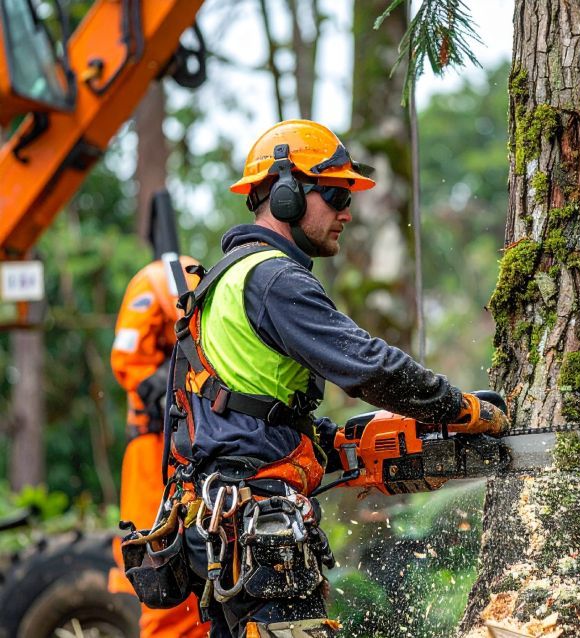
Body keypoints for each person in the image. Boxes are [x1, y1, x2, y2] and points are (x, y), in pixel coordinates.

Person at [142, 119, 509, 638]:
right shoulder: (272, 278)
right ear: (286, 194)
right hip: (259, 529)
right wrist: (458, 408)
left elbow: (241, 406)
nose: (346, 212)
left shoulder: (228, 276)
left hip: (227, 520)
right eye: (334, 194)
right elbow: (371, 367)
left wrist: (327, 445)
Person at [109, 255, 209, 638]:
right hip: (155, 458)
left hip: (189, 456)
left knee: (202, 579)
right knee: (162, 577)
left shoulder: (191, 287)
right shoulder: (152, 285)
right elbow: (128, 361)